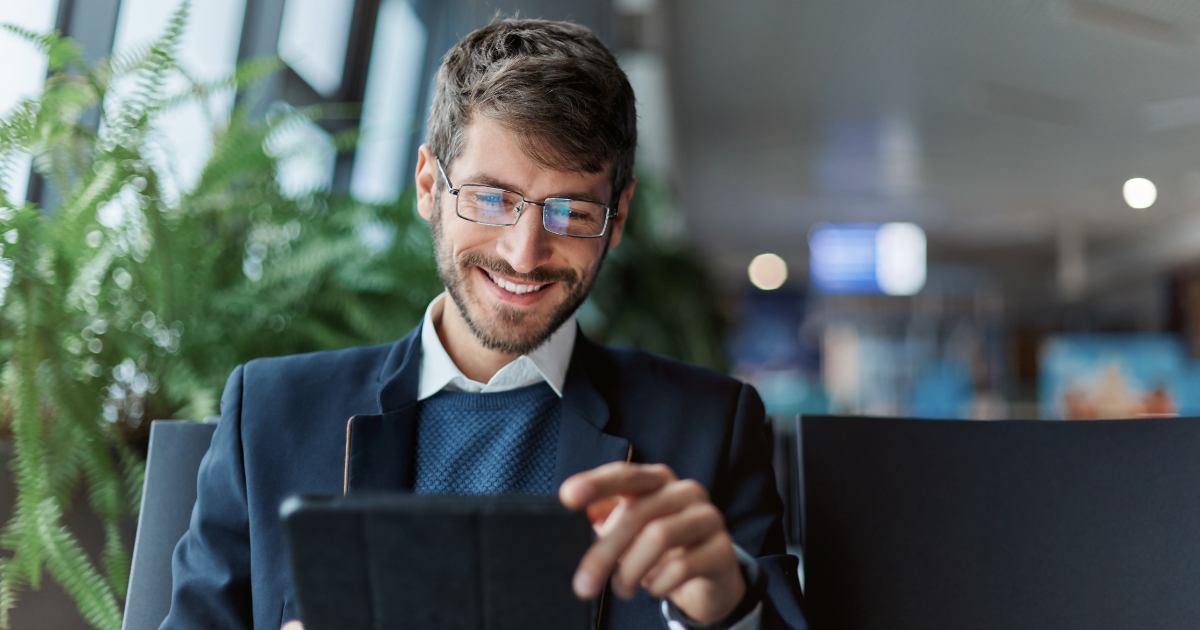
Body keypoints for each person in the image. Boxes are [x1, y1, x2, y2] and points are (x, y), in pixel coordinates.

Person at [160, 18, 806, 630]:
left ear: (619, 217)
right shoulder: (272, 414)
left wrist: (727, 612)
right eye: (492, 198)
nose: (524, 254)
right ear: (428, 186)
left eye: (572, 211)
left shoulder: (708, 430)